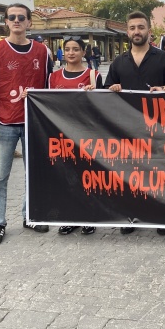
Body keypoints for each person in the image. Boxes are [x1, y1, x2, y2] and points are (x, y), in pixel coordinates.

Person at [0, 3, 53, 246]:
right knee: (0, 175)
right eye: (12, 17)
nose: (17, 20)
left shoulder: (42, 51)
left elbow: (49, 87)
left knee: (33, 173)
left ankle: (28, 216)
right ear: (6, 22)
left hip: (34, 120)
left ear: (30, 22)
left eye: (22, 17)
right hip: (5, 120)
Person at [104, 10, 165, 236]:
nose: (137, 31)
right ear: (127, 32)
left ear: (149, 31)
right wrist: (112, 88)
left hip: (157, 127)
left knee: (159, 172)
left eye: (141, 27)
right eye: (133, 28)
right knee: (130, 173)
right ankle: (131, 216)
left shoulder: (163, 59)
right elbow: (107, 89)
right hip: (126, 127)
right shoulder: (118, 62)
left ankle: (161, 216)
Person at [50, 35, 102, 236]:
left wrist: (93, 93)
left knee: (87, 176)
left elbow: (101, 105)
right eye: (68, 49)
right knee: (67, 176)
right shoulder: (53, 77)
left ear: (83, 52)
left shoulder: (93, 75)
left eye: (75, 49)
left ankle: (90, 216)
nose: (71, 53)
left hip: (86, 133)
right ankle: (70, 216)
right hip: (61, 133)